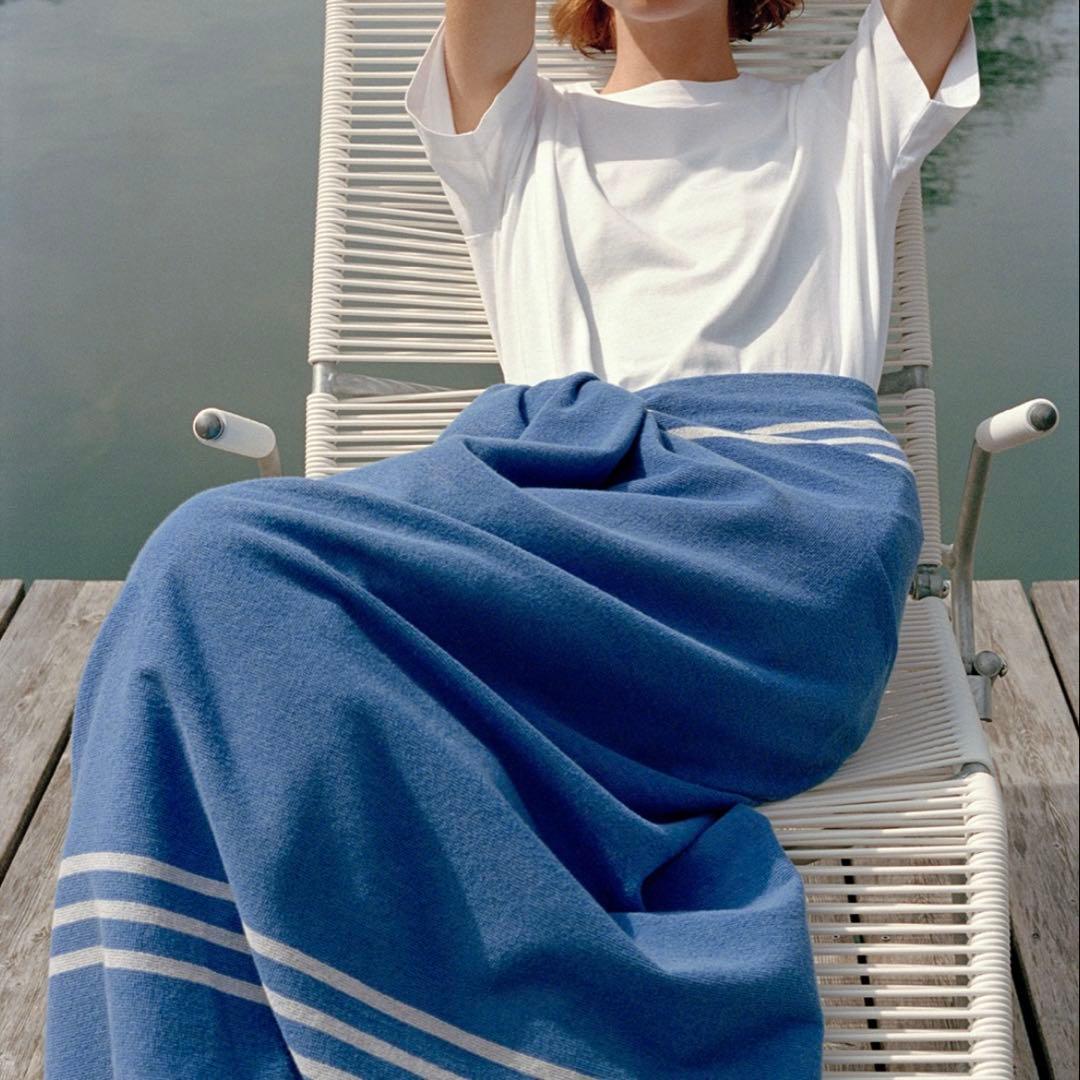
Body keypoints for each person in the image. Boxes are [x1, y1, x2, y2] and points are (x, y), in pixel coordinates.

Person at [43, 2, 980, 1078]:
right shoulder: (517, 130)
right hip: (560, 546)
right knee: (207, 571)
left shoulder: (850, 110)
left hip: (778, 563)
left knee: (227, 561)